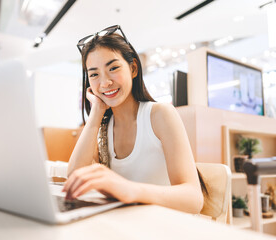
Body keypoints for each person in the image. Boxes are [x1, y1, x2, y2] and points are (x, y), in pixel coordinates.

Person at [62, 25, 205, 214]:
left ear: (133, 68)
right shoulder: (103, 127)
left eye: (113, 68)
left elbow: (194, 199)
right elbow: (74, 176)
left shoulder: (160, 114)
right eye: (94, 74)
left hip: (165, 225)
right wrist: (96, 113)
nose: (104, 83)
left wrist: (130, 189)